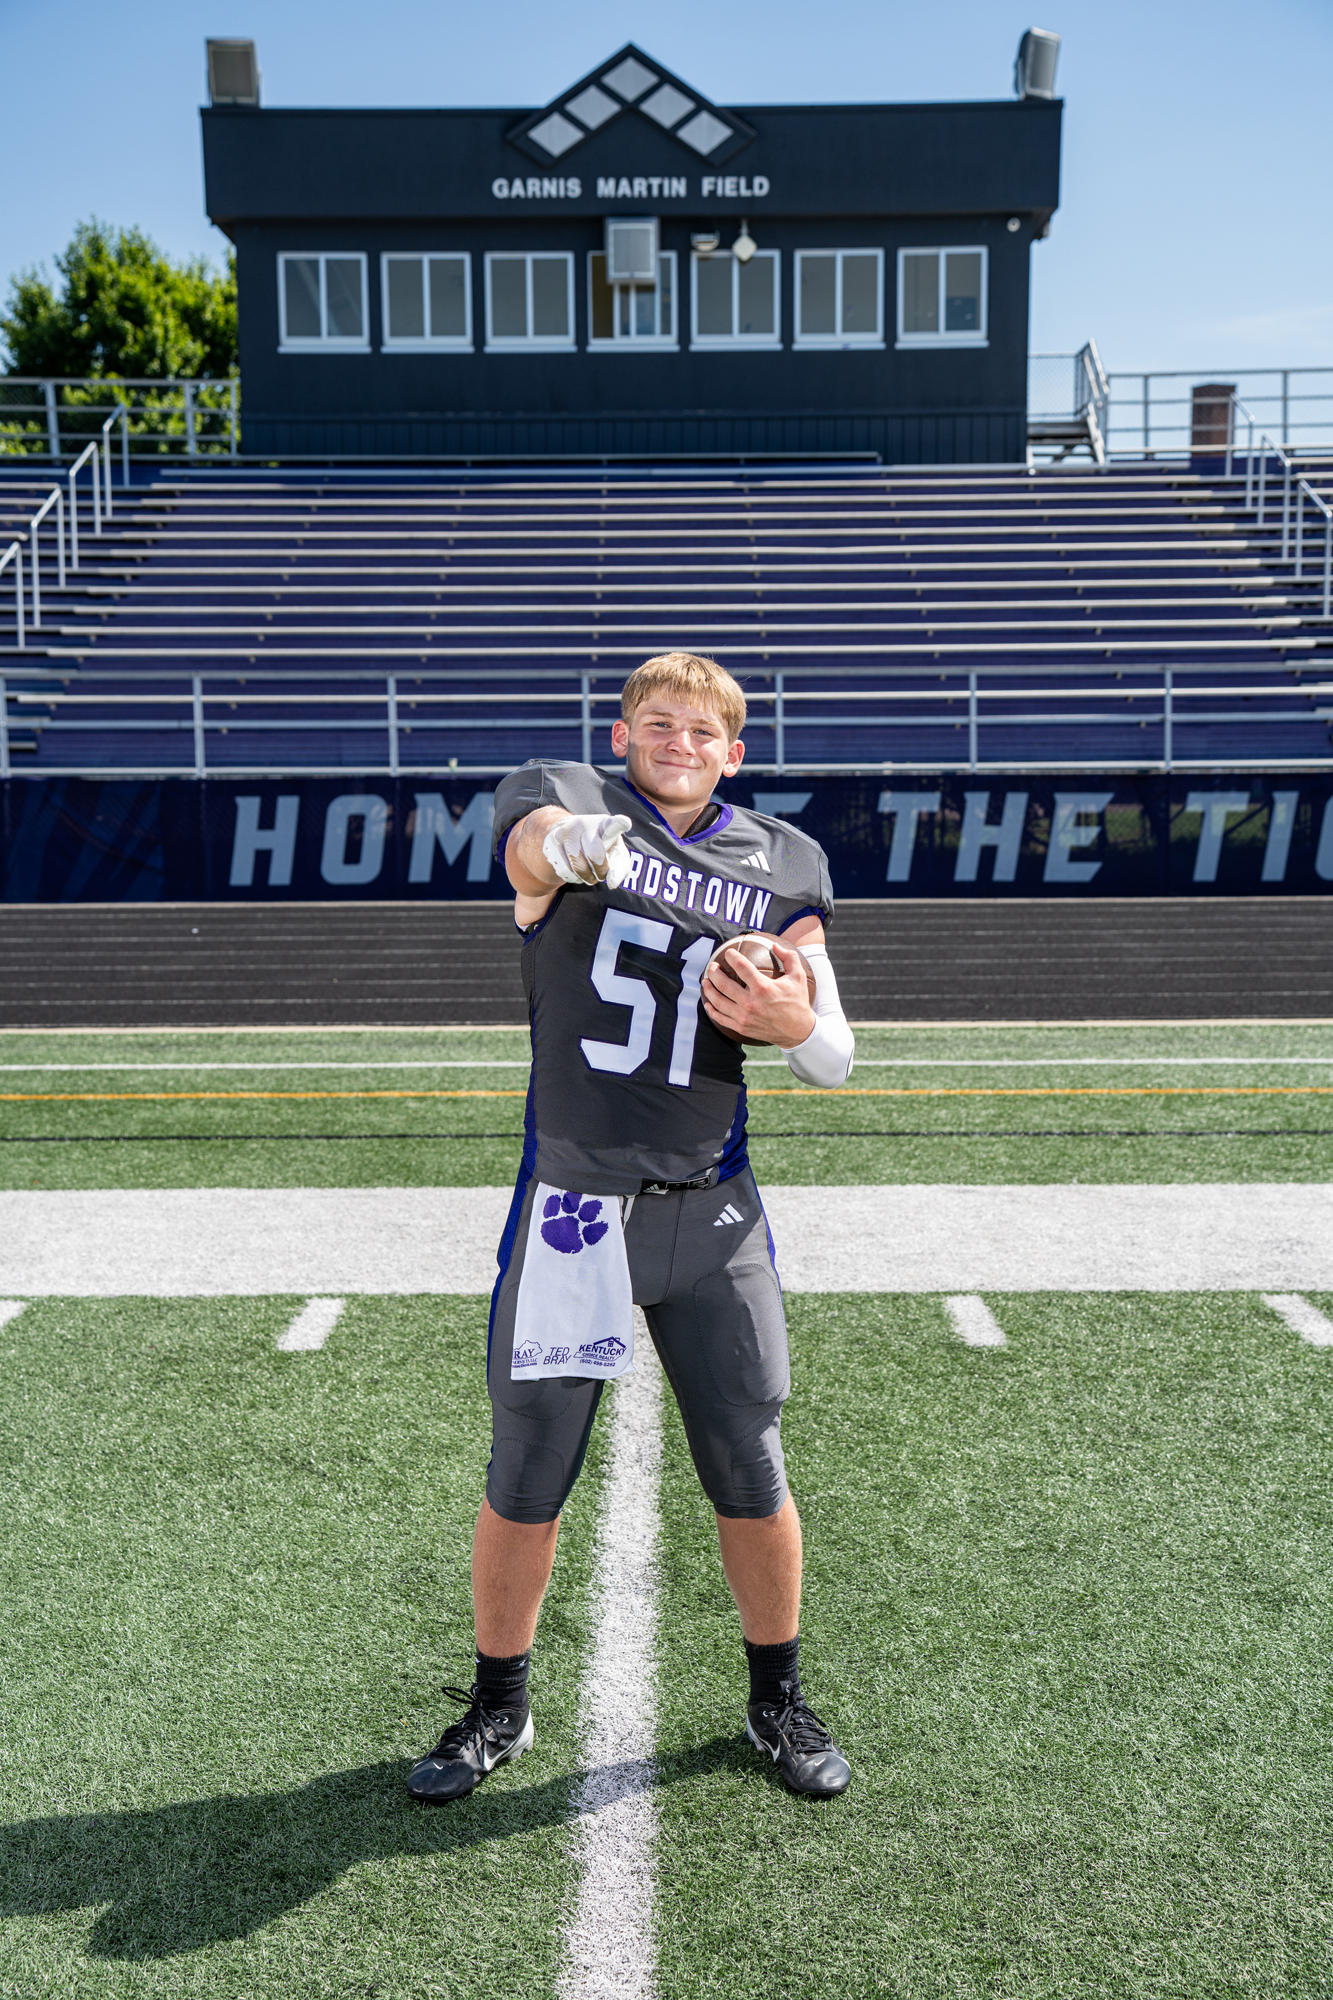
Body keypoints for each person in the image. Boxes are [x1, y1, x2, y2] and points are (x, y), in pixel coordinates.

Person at [407, 651, 856, 1805]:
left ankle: (776, 1696)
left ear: (733, 753)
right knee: (527, 1471)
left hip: (712, 1211)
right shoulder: (568, 794)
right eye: (658, 723)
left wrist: (795, 1018)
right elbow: (532, 849)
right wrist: (575, 848)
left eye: (702, 731)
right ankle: (497, 1703)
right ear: (622, 734)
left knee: (749, 1460)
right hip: (576, 1208)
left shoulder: (784, 860)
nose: (678, 743)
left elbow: (833, 1054)